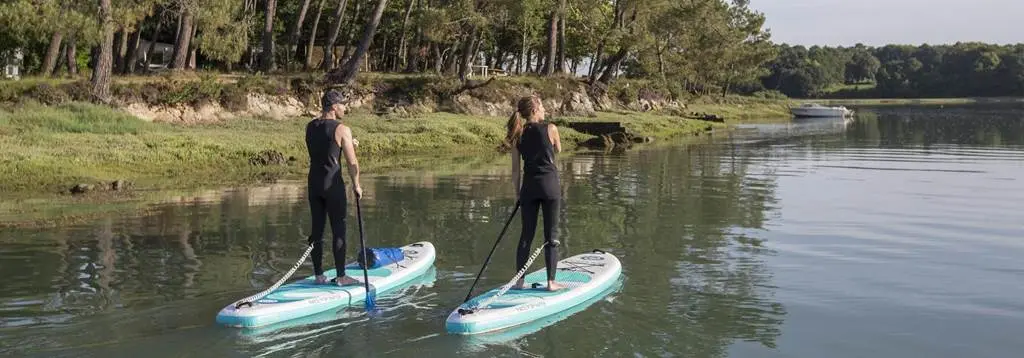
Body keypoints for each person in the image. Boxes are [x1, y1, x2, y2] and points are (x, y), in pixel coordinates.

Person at [505, 95, 564, 291]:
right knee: (551, 236)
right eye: (542, 106)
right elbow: (558, 149)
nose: (545, 110)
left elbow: (515, 171)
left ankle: (519, 282)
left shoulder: (518, 133)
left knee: (526, 236)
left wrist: (517, 195)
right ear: (535, 109)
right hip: (550, 187)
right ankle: (551, 283)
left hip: (528, 189)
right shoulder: (551, 128)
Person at [305, 89, 363, 286]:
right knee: (339, 229)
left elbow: (325, 147)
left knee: (317, 231)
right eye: (343, 105)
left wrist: (348, 143)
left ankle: (319, 275)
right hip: (332, 186)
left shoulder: (310, 127)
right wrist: (356, 185)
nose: (345, 108)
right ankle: (341, 276)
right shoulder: (342, 129)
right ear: (334, 106)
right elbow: (352, 162)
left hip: (314, 185)